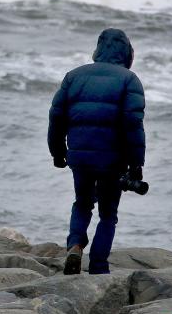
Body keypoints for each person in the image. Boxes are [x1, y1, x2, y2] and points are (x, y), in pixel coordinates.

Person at [47, 28, 145, 276]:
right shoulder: (129, 80)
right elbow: (133, 124)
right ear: (127, 53)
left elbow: (56, 116)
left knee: (82, 203)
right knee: (108, 214)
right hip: (113, 159)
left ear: (98, 49)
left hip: (79, 155)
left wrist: (58, 152)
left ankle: (75, 245)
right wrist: (136, 163)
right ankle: (99, 267)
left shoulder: (74, 76)